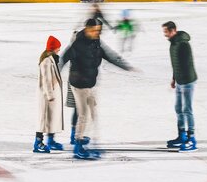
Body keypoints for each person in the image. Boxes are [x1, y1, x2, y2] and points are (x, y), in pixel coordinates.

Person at [60, 18, 134, 160]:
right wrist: (54, 76)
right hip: (79, 85)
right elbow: (63, 59)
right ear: (87, 29)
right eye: (94, 30)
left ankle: (89, 142)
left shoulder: (96, 42)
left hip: (91, 83)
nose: (96, 33)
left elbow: (109, 55)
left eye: (98, 31)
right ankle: (78, 146)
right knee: (83, 115)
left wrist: (125, 66)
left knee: (93, 113)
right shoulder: (77, 44)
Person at [163, 21, 198, 151]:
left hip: (187, 81)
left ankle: (192, 139)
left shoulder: (183, 44)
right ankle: (182, 135)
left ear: (173, 31)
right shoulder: (173, 44)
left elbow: (187, 64)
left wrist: (183, 81)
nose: (164, 35)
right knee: (178, 108)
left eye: (166, 31)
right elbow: (176, 63)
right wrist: (174, 79)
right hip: (179, 81)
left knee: (187, 109)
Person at [35, 35, 65, 153]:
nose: (59, 50)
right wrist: (50, 95)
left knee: (50, 119)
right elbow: (46, 80)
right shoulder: (47, 61)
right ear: (53, 48)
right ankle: (38, 142)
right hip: (47, 96)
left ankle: (50, 140)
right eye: (58, 48)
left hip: (50, 95)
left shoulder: (51, 59)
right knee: (43, 120)